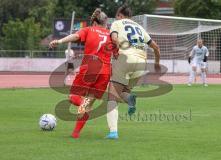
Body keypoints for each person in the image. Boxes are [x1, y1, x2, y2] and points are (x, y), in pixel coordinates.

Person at [49, 8, 117, 139]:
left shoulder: (89, 29)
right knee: (87, 104)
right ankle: (75, 133)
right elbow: (117, 52)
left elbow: (75, 36)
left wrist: (60, 41)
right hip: (105, 72)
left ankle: (80, 112)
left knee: (73, 97)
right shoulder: (110, 34)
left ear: (95, 22)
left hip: (90, 67)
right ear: (105, 22)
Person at [106, 4, 160, 139]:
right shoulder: (140, 27)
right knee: (123, 92)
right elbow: (156, 47)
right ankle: (130, 99)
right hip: (141, 63)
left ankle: (113, 132)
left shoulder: (116, 23)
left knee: (112, 96)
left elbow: (114, 39)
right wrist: (157, 63)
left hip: (125, 58)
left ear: (119, 15)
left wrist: (116, 52)